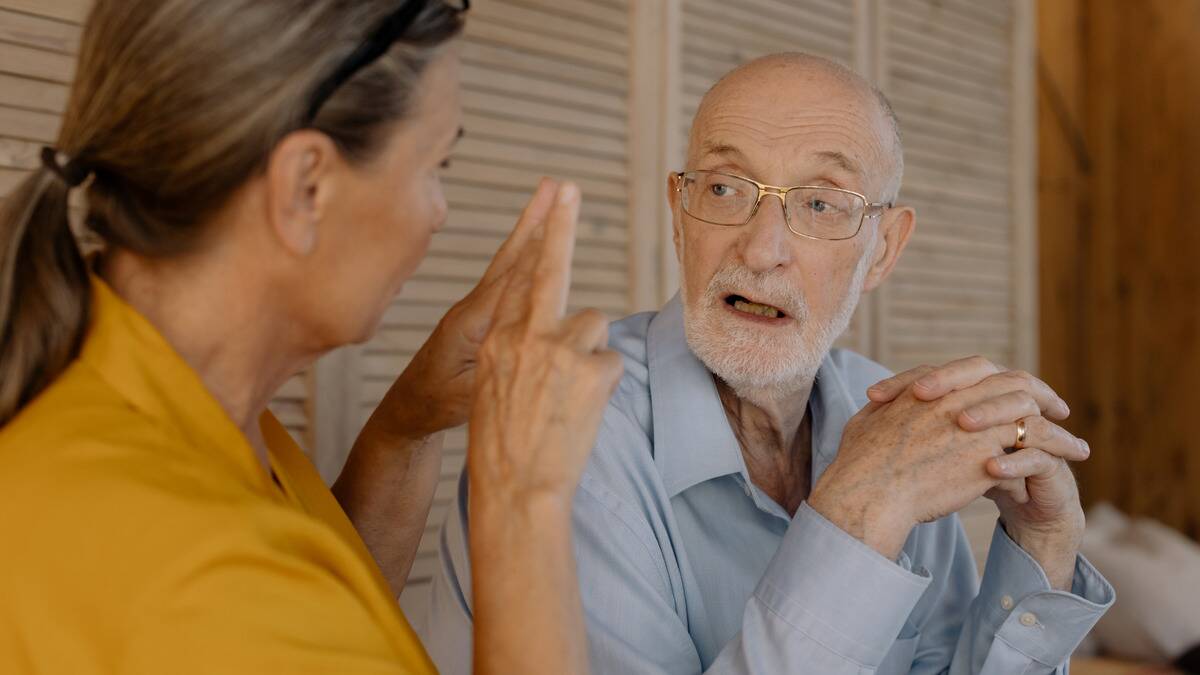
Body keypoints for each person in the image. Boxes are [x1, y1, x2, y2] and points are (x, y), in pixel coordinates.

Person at [427, 53, 1115, 674]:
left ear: (883, 249)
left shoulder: (891, 421)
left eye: (820, 203)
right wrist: (859, 512)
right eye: (725, 189)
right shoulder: (574, 425)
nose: (761, 251)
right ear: (680, 213)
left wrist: (1042, 549)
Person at [0, 1, 621, 673]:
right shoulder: (183, 565)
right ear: (306, 187)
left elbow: (315, 627)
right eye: (435, 167)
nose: (438, 215)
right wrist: (525, 499)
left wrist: (407, 425)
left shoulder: (168, 400)